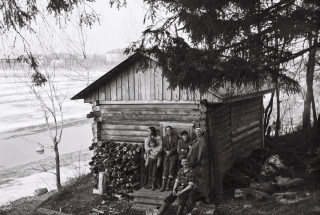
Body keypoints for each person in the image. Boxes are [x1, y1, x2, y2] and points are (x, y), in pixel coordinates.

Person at [187, 127, 211, 204]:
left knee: (201, 180)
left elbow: (200, 152)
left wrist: (196, 161)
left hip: (199, 164)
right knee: (194, 180)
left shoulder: (202, 140)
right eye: (196, 132)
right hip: (194, 163)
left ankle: (205, 197)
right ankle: (195, 198)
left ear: (201, 133)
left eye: (198, 132)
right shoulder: (195, 140)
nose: (197, 133)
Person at [161, 126, 179, 192]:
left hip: (173, 156)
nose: (169, 131)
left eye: (170, 130)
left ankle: (168, 186)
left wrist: (171, 151)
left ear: (172, 130)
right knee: (165, 170)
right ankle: (163, 186)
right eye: (167, 130)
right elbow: (163, 146)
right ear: (166, 131)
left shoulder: (176, 137)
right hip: (166, 156)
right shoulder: (164, 138)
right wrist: (166, 151)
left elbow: (176, 146)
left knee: (171, 170)